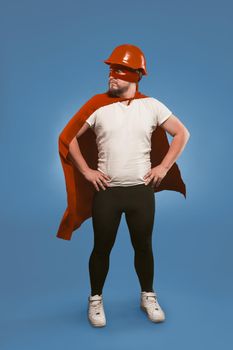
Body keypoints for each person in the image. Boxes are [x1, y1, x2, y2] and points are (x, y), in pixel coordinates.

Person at [56, 44, 190, 327]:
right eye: (110, 71)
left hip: (141, 192)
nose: (111, 77)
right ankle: (95, 300)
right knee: (101, 247)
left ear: (137, 75)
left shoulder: (152, 106)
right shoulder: (97, 106)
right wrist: (87, 171)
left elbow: (181, 133)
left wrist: (163, 168)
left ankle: (148, 296)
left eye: (119, 71)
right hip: (107, 193)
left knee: (143, 246)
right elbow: (68, 138)